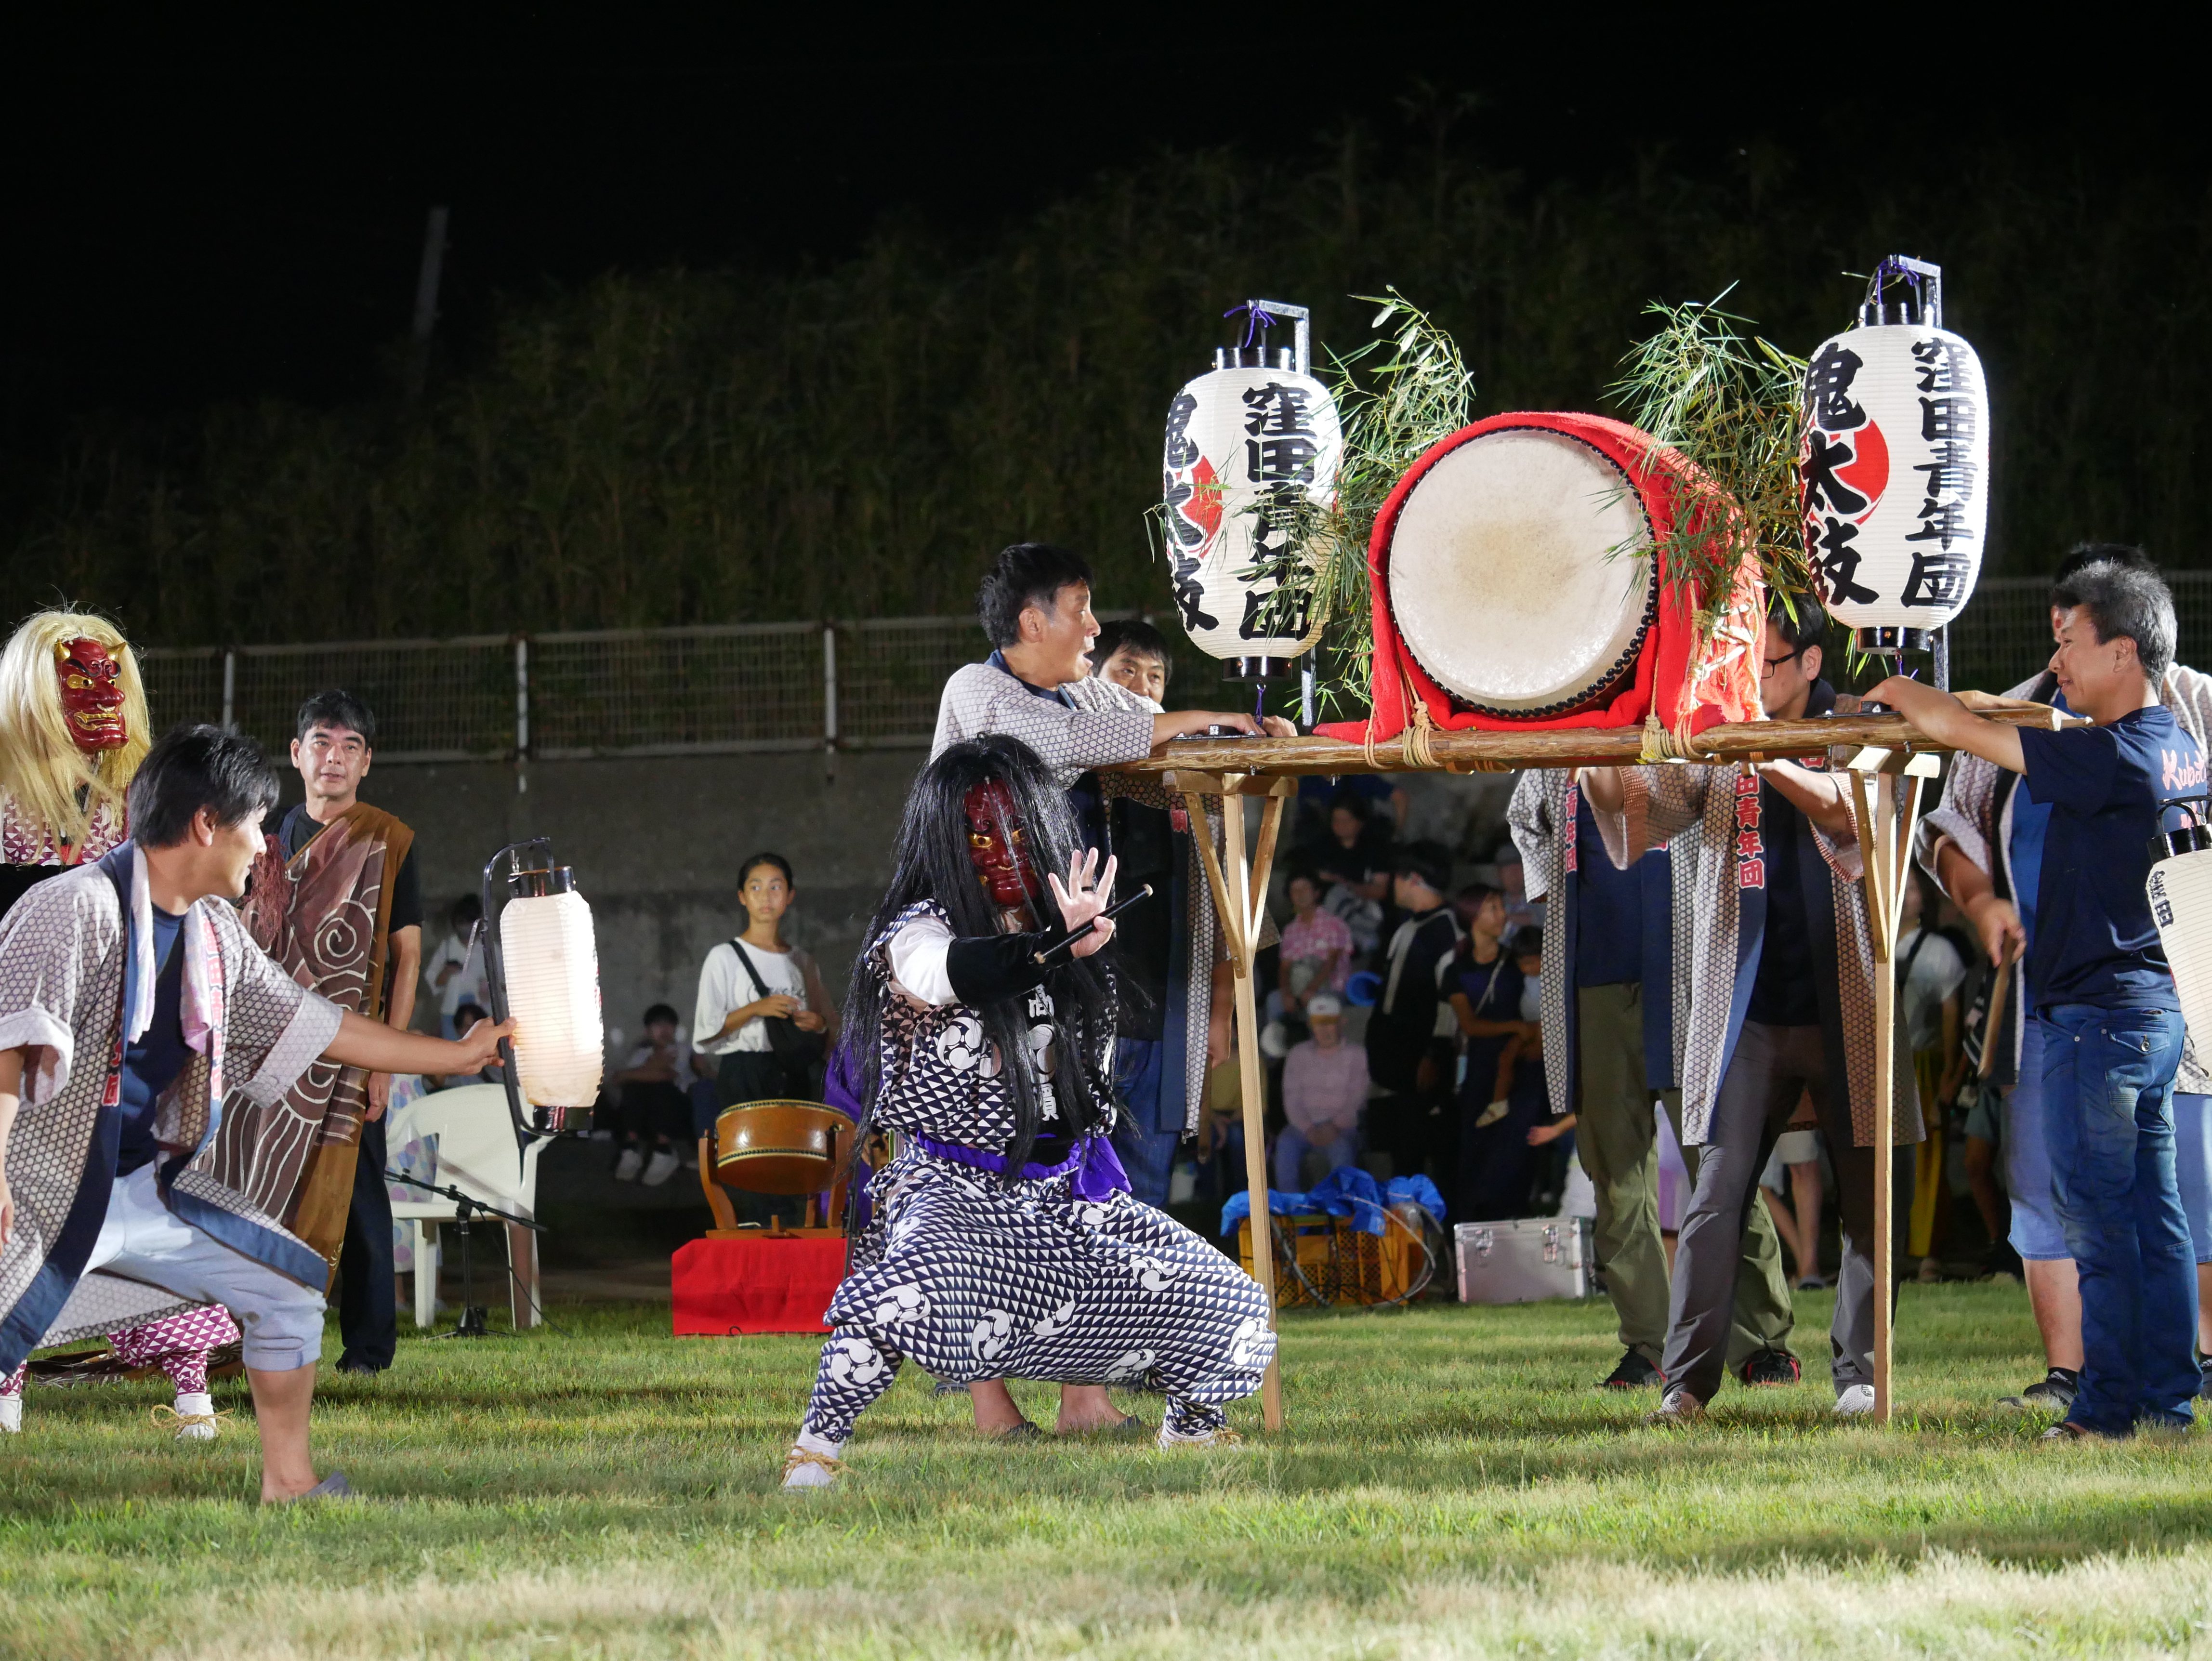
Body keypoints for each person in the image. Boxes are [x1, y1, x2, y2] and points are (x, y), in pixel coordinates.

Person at [0, 723, 511, 1500]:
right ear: (207, 823)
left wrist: (461, 1053)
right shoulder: (71, 909)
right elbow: (6, 1040)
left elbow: (323, 1023)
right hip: (38, 1186)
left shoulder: (213, 934)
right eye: (254, 826)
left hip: (142, 1186)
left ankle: (289, 1481)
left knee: (286, 1283)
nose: (264, 848)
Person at [779, 737, 1273, 1486]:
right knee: (896, 1295)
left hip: (1063, 1198)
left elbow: (1081, 1082)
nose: (1001, 850)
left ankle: (1192, 1433)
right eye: (978, 833)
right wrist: (1053, 946)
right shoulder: (914, 934)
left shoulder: (1070, 931)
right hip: (952, 1193)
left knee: (1225, 1298)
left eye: (1016, 829)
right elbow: (950, 973)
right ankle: (816, 1455)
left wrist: (1074, 948)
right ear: (944, 840)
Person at [934, 543, 1284, 1435]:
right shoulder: (977, 694)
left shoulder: (1074, 696)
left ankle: (1082, 1393)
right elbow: (1082, 737)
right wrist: (1166, 725)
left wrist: (1230, 724)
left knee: (1074, 1161)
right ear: (1030, 622)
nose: (1094, 627)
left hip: (1053, 965)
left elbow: (1143, 719)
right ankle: (992, 1402)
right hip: (971, 972)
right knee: (982, 1176)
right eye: (1082, 609)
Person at [1874, 559, 2203, 1440]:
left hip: (2092, 1019)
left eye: (2068, 646)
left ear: (2123, 652)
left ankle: (2101, 1411)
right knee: (2155, 1218)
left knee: (2096, 1225)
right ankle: (2168, 1398)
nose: (2056, 665)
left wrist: (1900, 686)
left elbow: (1951, 728)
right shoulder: (2176, 743)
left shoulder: (2110, 757)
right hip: (2150, 1013)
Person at [1582, 592, 1918, 1423]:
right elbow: (1641, 814)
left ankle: (1859, 1372)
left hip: (1854, 997)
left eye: (1761, 664)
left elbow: (1855, 819)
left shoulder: (1862, 724)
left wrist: (1757, 747)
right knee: (1713, 1197)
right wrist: (1593, 745)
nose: (1747, 680)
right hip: (1748, 1011)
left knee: (1870, 1196)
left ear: (1809, 662)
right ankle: (1686, 1384)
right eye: (1738, 665)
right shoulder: (1722, 733)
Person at [0, 610, 246, 1437]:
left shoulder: (135, 808)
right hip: (28, 1039)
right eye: (75, 675)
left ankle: (187, 1382)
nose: (95, 691)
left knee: (136, 1196)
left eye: (108, 672)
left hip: (118, 1042)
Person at [1509, 761, 1796, 1390]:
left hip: (1692, 974)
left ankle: (1763, 1342)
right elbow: (1523, 817)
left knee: (1721, 1170)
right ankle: (1649, 1344)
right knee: (1616, 1180)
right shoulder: (1562, 746)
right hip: (1595, 980)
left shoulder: (1687, 737)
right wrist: (1550, 889)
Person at [221, 689, 423, 1380]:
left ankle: (368, 1349)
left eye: (349, 747)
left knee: (359, 1194)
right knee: (256, 1188)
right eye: (322, 743)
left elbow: (407, 956)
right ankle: (253, 1335)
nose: (333, 759)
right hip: (273, 1047)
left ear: (367, 763)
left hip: (350, 1054)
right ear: (296, 754)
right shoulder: (263, 840)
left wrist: (387, 1063)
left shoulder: (386, 841)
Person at [693, 852, 837, 1110]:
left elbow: (828, 1025)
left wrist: (819, 1025)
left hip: (794, 1072)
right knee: (749, 1150)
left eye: (776, 887)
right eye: (756, 887)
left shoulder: (802, 961)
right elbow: (707, 1028)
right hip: (744, 1072)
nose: (765, 896)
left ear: (790, 895)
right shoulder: (724, 957)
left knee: (792, 1150)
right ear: (742, 897)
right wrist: (756, 1009)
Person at [1363, 843, 1463, 1185]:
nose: (1393, 885)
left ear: (1414, 880)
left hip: (1421, 1058)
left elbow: (1450, 998)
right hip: (1399, 1061)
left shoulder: (1445, 930)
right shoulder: (1409, 927)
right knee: (1402, 1151)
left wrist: (1435, 1053)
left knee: (1425, 1148)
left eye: (1397, 878)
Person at [1897, 868, 1969, 1277]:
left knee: (1929, 1160)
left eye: (1912, 891)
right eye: (1899, 890)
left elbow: (1952, 1016)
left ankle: (1928, 1254)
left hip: (1923, 1062)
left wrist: (1949, 1076)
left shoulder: (1940, 950)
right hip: (1881, 1067)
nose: (1906, 897)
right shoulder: (1873, 940)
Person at [1276, 993, 1366, 1189]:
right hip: (1303, 1127)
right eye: (1318, 1023)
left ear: (1342, 1022)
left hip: (1343, 1128)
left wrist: (1335, 1126)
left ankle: (1341, 1212)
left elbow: (1356, 1099)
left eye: (1330, 1023)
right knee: (1285, 1145)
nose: (1324, 1029)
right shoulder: (1297, 1055)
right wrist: (1308, 1128)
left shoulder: (1357, 1055)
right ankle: (1291, 1210)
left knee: (1342, 1150)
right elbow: (1291, 1098)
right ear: (1310, 1025)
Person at [610, 1003, 693, 1186]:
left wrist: (638, 1072)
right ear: (648, 1031)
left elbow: (666, 1076)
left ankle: (664, 1150)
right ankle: (631, 1148)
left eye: (669, 1025)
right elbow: (617, 1079)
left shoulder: (681, 1050)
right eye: (658, 1025)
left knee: (660, 1086)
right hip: (645, 1116)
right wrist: (650, 1067)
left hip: (676, 1114)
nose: (664, 1030)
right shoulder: (642, 1052)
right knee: (634, 1089)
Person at [1307, 790, 1394, 958]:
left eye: (1347, 820)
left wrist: (1343, 883)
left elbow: (1380, 891)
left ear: (1360, 822)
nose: (1341, 825)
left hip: (1364, 918)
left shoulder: (1376, 850)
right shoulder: (1323, 847)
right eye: (1336, 820)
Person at [1267, 870, 1352, 1036]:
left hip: (1328, 987)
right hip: (1298, 988)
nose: (1300, 894)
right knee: (1274, 1001)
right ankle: (1284, 1054)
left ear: (1317, 893)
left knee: (1317, 1003)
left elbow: (1332, 960)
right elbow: (1285, 967)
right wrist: (1286, 994)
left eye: (1305, 889)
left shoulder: (1333, 924)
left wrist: (1311, 989)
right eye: (1294, 890)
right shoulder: (1291, 930)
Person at [1757, 1095, 1829, 1290]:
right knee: (1752, 1181)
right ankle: (1806, 1266)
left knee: (1802, 1162)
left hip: (1793, 1078)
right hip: (1742, 1079)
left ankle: (1809, 1268)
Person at [423, 895, 487, 1039]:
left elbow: (506, 980)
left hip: (481, 1012)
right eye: (461, 922)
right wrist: (446, 972)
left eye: (468, 922)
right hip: (452, 1011)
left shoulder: (487, 948)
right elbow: (433, 980)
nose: (465, 926)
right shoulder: (447, 947)